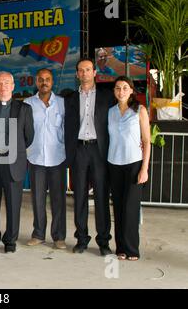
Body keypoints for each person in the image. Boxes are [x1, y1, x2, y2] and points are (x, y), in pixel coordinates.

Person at [64, 58, 115, 256]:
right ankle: (82, 239)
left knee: (101, 197)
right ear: (77, 74)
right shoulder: (69, 99)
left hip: (99, 151)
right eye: (80, 70)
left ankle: (103, 242)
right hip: (79, 151)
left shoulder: (107, 96)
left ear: (94, 72)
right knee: (80, 198)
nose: (84, 73)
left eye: (88, 69)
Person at [0, 71, 34, 253]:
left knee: (13, 204)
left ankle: (10, 240)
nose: (3, 86)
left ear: (13, 86)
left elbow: (29, 137)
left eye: (6, 83)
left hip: (13, 161)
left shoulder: (24, 109)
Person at [108, 76, 150, 261]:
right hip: (114, 163)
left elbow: (147, 141)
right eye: (118, 88)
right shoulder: (110, 112)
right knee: (118, 207)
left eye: (125, 88)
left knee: (131, 208)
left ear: (132, 90)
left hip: (134, 164)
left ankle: (132, 249)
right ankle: (121, 249)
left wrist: (144, 168)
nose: (121, 91)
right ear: (114, 91)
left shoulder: (140, 110)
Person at [24, 69, 67, 249]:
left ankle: (59, 237)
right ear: (36, 82)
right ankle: (39, 234)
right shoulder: (27, 104)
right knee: (38, 199)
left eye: (47, 79)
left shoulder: (63, 104)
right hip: (36, 159)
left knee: (58, 199)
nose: (44, 82)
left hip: (57, 158)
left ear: (52, 82)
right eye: (41, 79)